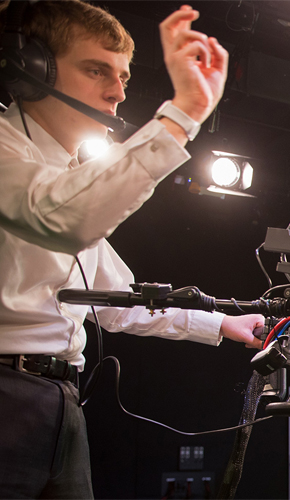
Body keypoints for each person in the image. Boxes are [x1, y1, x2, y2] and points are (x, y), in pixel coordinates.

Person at [0, 2, 262, 497]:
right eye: (96, 70)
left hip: (61, 402)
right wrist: (183, 113)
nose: (118, 92)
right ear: (31, 68)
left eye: (122, 76)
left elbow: (119, 301)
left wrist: (223, 324)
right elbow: (60, 218)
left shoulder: (70, 179)